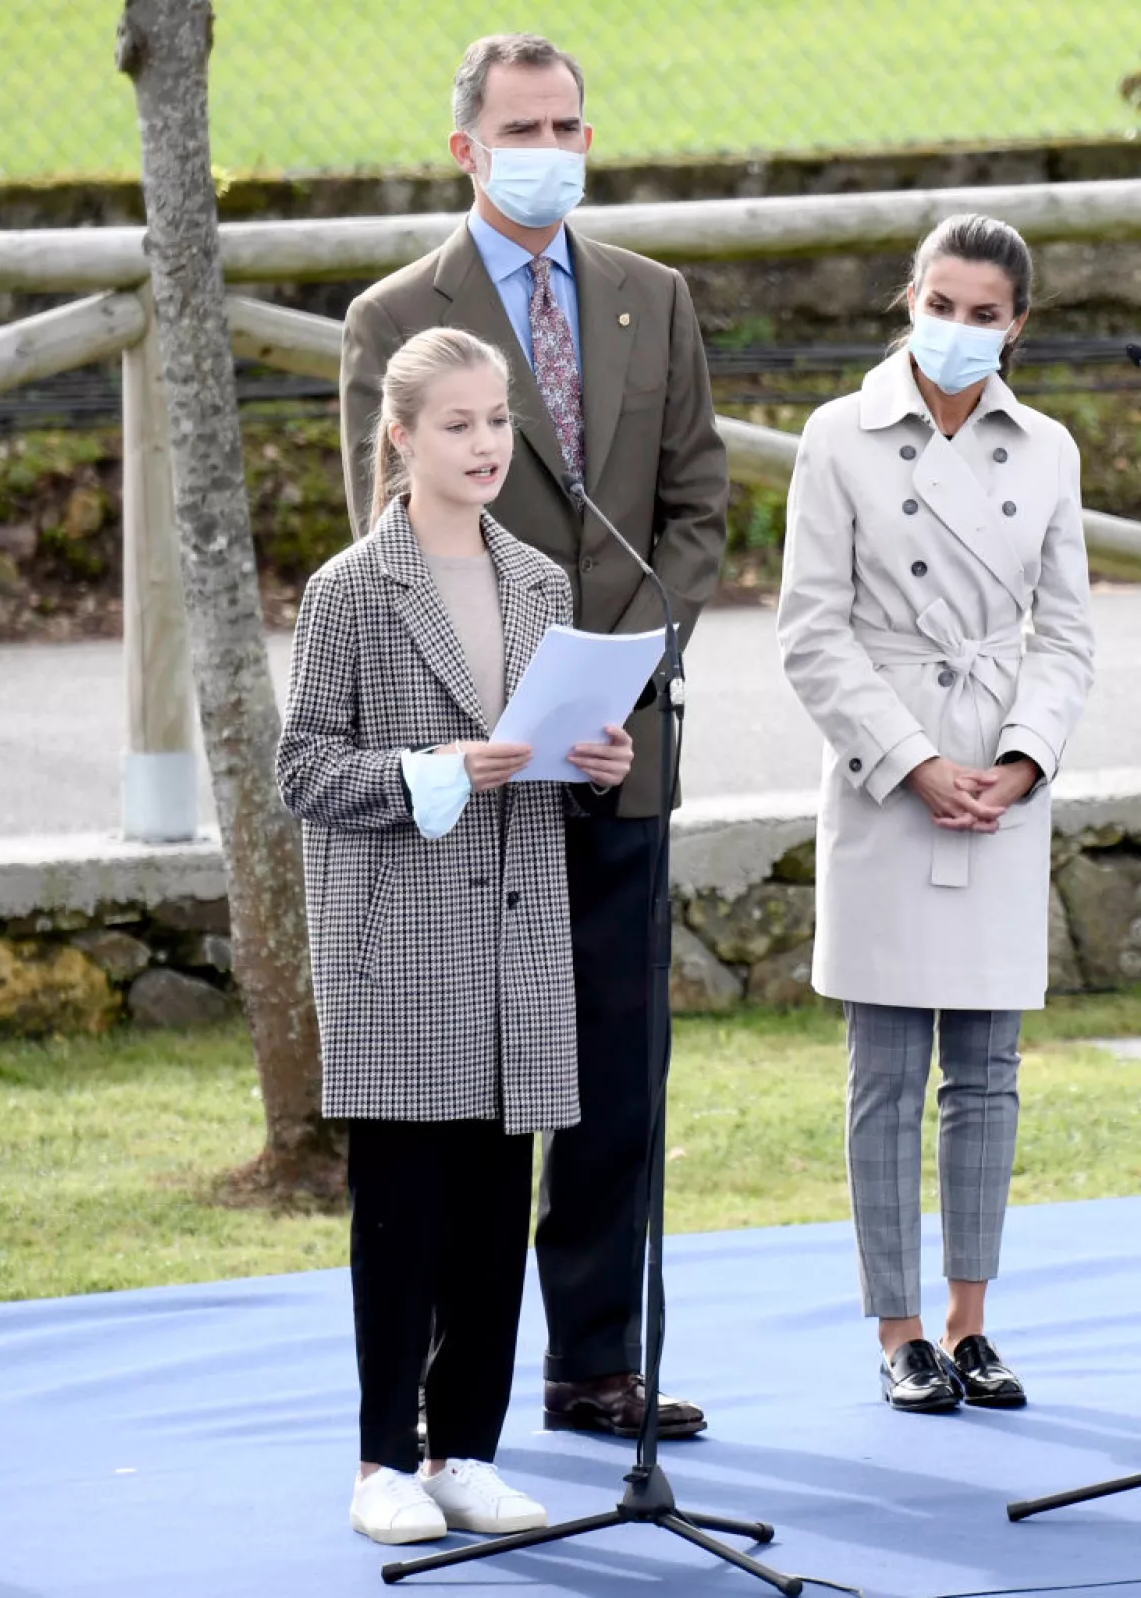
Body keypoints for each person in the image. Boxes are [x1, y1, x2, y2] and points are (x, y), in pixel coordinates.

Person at [340, 31, 727, 1442]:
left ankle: (599, 1362)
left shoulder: (651, 298)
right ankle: (453, 1388)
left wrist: (622, 673)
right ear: (465, 148)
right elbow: (384, 547)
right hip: (482, 770)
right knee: (482, 1092)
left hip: (622, 750)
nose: (552, 148)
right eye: (524, 127)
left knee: (619, 1080)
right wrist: (501, 708)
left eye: (570, 124)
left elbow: (696, 508)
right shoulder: (395, 314)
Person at [276, 328, 634, 1544]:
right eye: (458, 425)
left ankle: (465, 1449)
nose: (485, 445)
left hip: (516, 942)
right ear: (401, 437)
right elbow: (306, 766)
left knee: (493, 1212)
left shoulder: (540, 581)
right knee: (403, 1215)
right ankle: (382, 1459)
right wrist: (430, 771)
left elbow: (543, 753)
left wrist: (596, 762)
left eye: (497, 422)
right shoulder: (347, 591)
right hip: (399, 947)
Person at [777, 214, 1095, 1414]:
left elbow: (1067, 632)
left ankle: (972, 1322)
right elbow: (810, 629)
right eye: (941, 304)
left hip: (1002, 776)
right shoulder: (836, 437)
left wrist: (1021, 759)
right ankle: (897, 1326)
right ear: (908, 298)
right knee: (887, 1070)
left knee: (991, 1071)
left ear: (1018, 324)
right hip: (886, 771)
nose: (958, 330)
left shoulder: (1051, 449)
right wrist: (911, 761)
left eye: (984, 313)